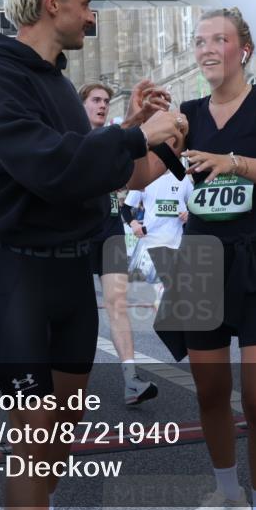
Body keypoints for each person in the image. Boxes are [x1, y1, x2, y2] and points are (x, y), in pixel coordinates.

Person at [0, 0, 186, 510]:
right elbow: (47, 165)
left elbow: (107, 174)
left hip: (69, 277)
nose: (92, 17)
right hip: (18, 276)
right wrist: (133, 139)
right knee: (33, 441)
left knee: (60, 439)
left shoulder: (58, 81)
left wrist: (150, 135)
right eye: (85, 3)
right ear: (51, 1)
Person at [168, 7, 256, 510]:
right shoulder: (186, 113)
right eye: (199, 40)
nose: (205, 48)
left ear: (242, 49)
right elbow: (137, 178)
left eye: (217, 39)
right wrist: (138, 126)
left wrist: (232, 162)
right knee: (207, 391)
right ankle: (228, 499)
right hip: (201, 259)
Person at [80, 81, 161, 407]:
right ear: (82, 105)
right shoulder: (72, 135)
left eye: (106, 101)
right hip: (77, 232)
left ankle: (131, 380)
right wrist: (132, 122)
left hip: (110, 228)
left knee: (117, 301)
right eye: (96, 100)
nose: (102, 105)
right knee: (75, 310)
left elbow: (134, 177)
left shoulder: (116, 136)